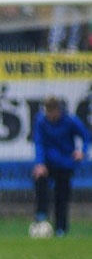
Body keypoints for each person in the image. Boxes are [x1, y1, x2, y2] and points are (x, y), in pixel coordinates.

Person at [32, 97, 91, 236]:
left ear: (59, 110)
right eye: (48, 112)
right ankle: (41, 215)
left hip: (65, 163)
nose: (51, 116)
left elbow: (86, 137)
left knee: (61, 196)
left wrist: (82, 152)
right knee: (39, 179)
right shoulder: (41, 121)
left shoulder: (70, 121)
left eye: (53, 112)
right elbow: (39, 142)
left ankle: (60, 229)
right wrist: (39, 163)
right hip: (48, 163)